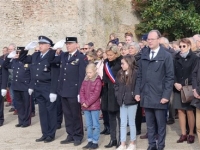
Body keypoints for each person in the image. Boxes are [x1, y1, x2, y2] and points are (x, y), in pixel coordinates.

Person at [135, 30, 174, 150]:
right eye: (148, 39)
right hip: (146, 95)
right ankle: (151, 145)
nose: (150, 41)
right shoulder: (144, 55)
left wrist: (166, 95)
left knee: (161, 124)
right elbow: (139, 76)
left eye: (152, 39)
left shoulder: (166, 56)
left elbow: (169, 77)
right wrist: (137, 92)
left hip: (160, 96)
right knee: (150, 124)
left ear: (159, 40)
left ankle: (160, 145)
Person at [48, 37, 88, 146]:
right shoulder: (64, 55)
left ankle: (78, 135)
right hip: (64, 90)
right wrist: (53, 49)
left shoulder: (81, 57)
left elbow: (82, 76)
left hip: (74, 91)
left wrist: (81, 92)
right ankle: (70, 134)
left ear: (76, 44)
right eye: (67, 44)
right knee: (67, 115)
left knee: (76, 115)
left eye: (70, 43)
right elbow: (51, 60)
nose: (68, 45)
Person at [25, 36, 58, 143]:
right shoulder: (36, 55)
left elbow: (54, 74)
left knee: (51, 112)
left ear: (49, 46)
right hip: (38, 87)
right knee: (42, 112)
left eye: (43, 44)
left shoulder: (52, 56)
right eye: (40, 44)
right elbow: (23, 59)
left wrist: (53, 91)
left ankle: (51, 134)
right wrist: (25, 49)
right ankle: (45, 133)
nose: (40, 45)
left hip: (48, 87)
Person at [173, 38, 198, 144]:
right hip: (178, 87)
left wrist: (187, 85)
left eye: (184, 46)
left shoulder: (194, 58)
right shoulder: (176, 57)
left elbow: (195, 73)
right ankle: (183, 134)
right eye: (180, 46)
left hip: (189, 87)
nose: (182, 48)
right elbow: (172, 72)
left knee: (189, 111)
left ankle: (191, 133)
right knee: (180, 110)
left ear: (189, 46)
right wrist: (175, 82)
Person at [3, 47, 32, 128]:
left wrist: (31, 86)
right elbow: (5, 65)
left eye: (19, 53)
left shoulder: (28, 61)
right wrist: (9, 57)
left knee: (26, 105)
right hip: (16, 86)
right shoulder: (15, 61)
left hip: (25, 86)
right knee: (19, 105)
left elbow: (32, 74)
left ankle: (26, 121)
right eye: (17, 52)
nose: (17, 54)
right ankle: (21, 120)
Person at [115, 55, 138, 150]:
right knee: (123, 123)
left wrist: (134, 95)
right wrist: (118, 95)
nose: (121, 65)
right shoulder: (120, 73)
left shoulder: (135, 73)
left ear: (129, 63)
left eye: (123, 63)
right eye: (121, 63)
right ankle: (123, 143)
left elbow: (137, 86)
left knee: (131, 122)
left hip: (132, 101)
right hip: (122, 101)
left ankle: (133, 143)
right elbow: (116, 86)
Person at [101, 45, 122, 148]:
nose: (108, 57)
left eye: (111, 55)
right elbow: (105, 78)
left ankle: (120, 140)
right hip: (108, 93)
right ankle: (113, 139)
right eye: (107, 55)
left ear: (116, 53)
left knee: (120, 119)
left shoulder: (121, 62)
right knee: (111, 118)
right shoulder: (106, 63)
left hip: (118, 93)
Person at [80, 63, 102, 149]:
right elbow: (81, 91)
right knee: (88, 124)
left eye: (90, 72)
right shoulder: (85, 80)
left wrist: (87, 102)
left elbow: (96, 94)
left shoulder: (97, 80)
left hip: (94, 107)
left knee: (95, 125)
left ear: (95, 71)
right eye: (87, 72)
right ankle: (90, 140)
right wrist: (83, 101)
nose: (88, 74)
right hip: (85, 106)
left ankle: (95, 141)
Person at [192, 58, 200, 145]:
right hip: (198, 96)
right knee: (199, 127)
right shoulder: (198, 59)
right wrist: (194, 89)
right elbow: (194, 74)